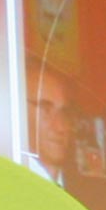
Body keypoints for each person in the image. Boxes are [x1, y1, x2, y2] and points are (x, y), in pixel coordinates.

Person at [25, 58, 74, 186]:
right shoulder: (6, 186)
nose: (61, 127)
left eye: (64, 112)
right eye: (45, 109)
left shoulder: (87, 191)